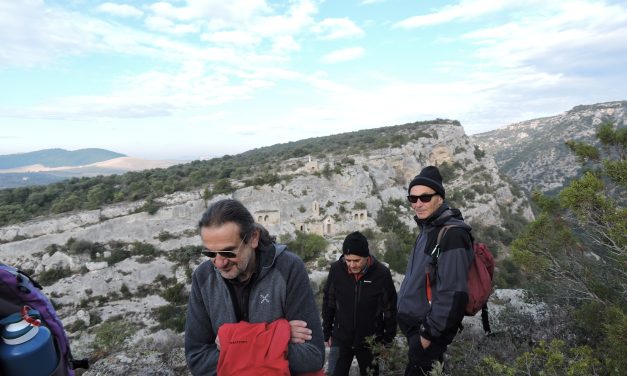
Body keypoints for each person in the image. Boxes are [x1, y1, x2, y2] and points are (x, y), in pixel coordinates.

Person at [184, 199, 325, 375]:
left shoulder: (288, 268)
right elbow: (197, 359)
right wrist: (275, 337)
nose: (219, 263)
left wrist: (231, 342)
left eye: (228, 252)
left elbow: (312, 356)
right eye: (210, 253)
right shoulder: (203, 278)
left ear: (253, 238)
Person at [397, 166, 473, 375]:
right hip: (418, 330)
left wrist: (427, 336)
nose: (418, 204)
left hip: (429, 333)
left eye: (425, 197)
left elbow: (453, 293)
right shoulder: (428, 228)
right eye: (413, 199)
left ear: (440, 197)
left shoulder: (452, 234)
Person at [322, 231, 398, 376]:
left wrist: (387, 341)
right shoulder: (336, 270)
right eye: (348, 260)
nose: (351, 265)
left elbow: (390, 308)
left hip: (370, 341)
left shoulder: (382, 273)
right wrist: (327, 332)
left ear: (366, 257)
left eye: (356, 260)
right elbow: (329, 301)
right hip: (340, 338)